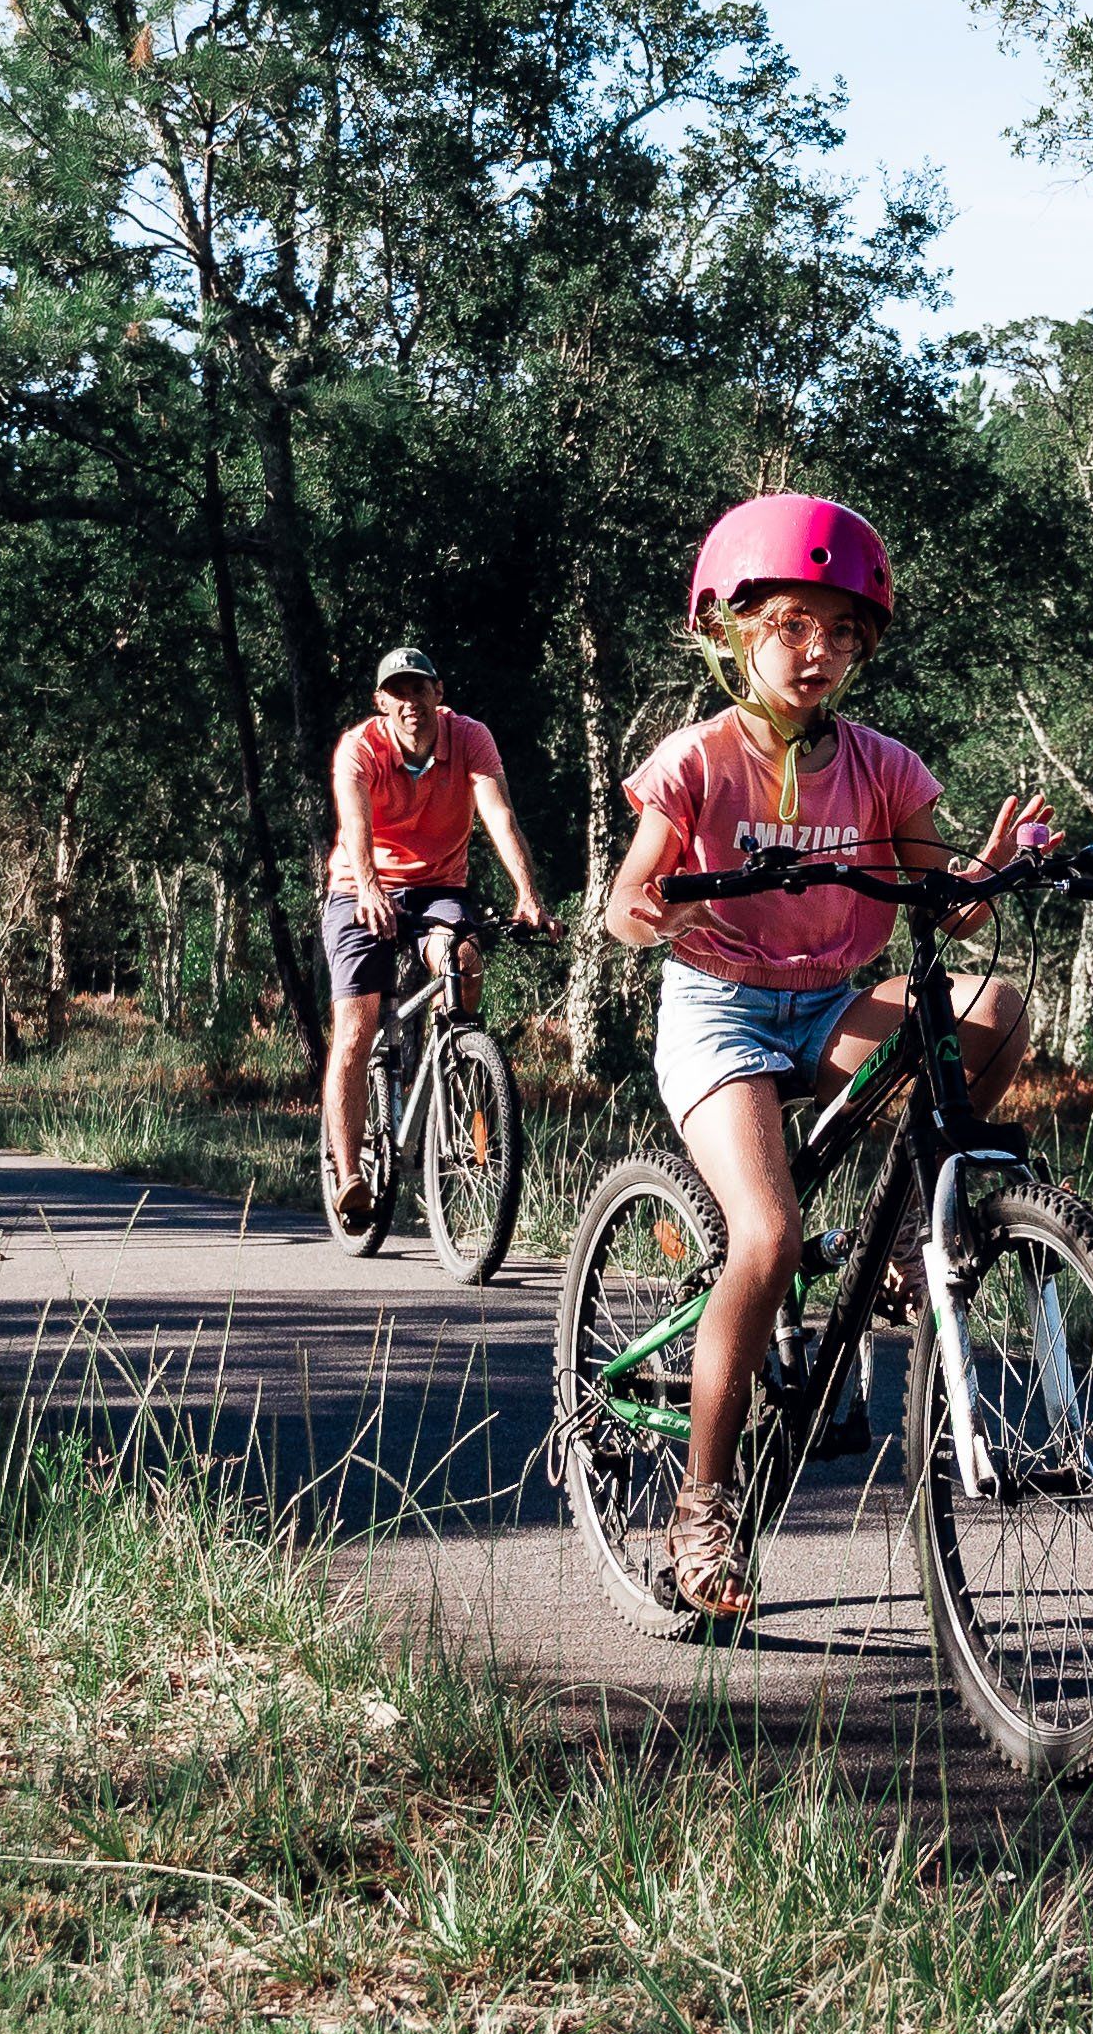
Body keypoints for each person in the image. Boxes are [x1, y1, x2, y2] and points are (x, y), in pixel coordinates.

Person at [597, 494, 1043, 1621]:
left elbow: (954, 911)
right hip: (720, 1016)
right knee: (770, 1233)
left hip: (831, 1002)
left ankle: (904, 1225)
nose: (820, 653)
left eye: (842, 635)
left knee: (991, 1008)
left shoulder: (886, 766)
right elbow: (625, 901)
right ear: (730, 631)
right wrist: (654, 917)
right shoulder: (697, 759)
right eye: (794, 626)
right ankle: (703, 1508)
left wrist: (980, 874)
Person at [319, 643, 553, 1228]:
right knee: (356, 1026)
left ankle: (459, 1060)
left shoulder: (471, 738)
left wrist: (527, 893)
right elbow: (356, 825)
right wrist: (370, 888)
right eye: (396, 693)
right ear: (381, 703)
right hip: (360, 885)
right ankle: (350, 1176)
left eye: (418, 689)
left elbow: (499, 815)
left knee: (464, 958)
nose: (409, 703)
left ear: (438, 693)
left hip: (438, 886)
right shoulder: (360, 748)